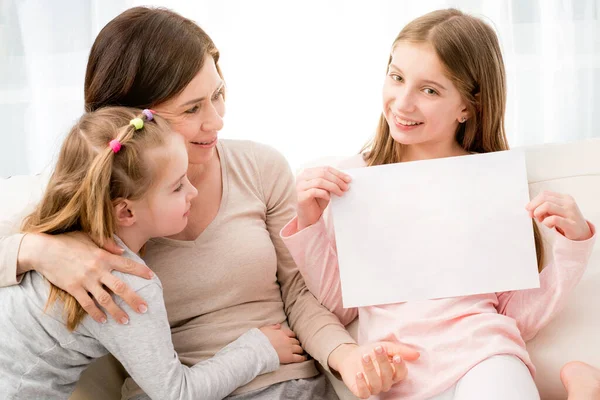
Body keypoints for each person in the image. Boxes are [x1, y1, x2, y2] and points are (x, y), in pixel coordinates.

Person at [0, 7, 416, 400]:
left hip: (281, 384)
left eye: (218, 94)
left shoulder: (259, 166)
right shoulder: (95, 193)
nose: (216, 120)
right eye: (192, 108)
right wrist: (38, 250)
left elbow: (298, 291)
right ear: (133, 119)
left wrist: (345, 355)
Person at [281, 9, 596, 400]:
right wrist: (309, 221)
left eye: (429, 90)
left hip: (484, 355)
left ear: (468, 106)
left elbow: (517, 318)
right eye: (396, 77)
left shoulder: (490, 180)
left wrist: (574, 244)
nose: (403, 103)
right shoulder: (352, 180)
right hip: (399, 375)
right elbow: (342, 307)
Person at [0, 107, 309, 399]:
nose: (194, 192)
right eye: (177, 187)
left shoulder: (50, 226)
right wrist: (259, 349)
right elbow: (176, 393)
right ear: (125, 212)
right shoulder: (127, 285)